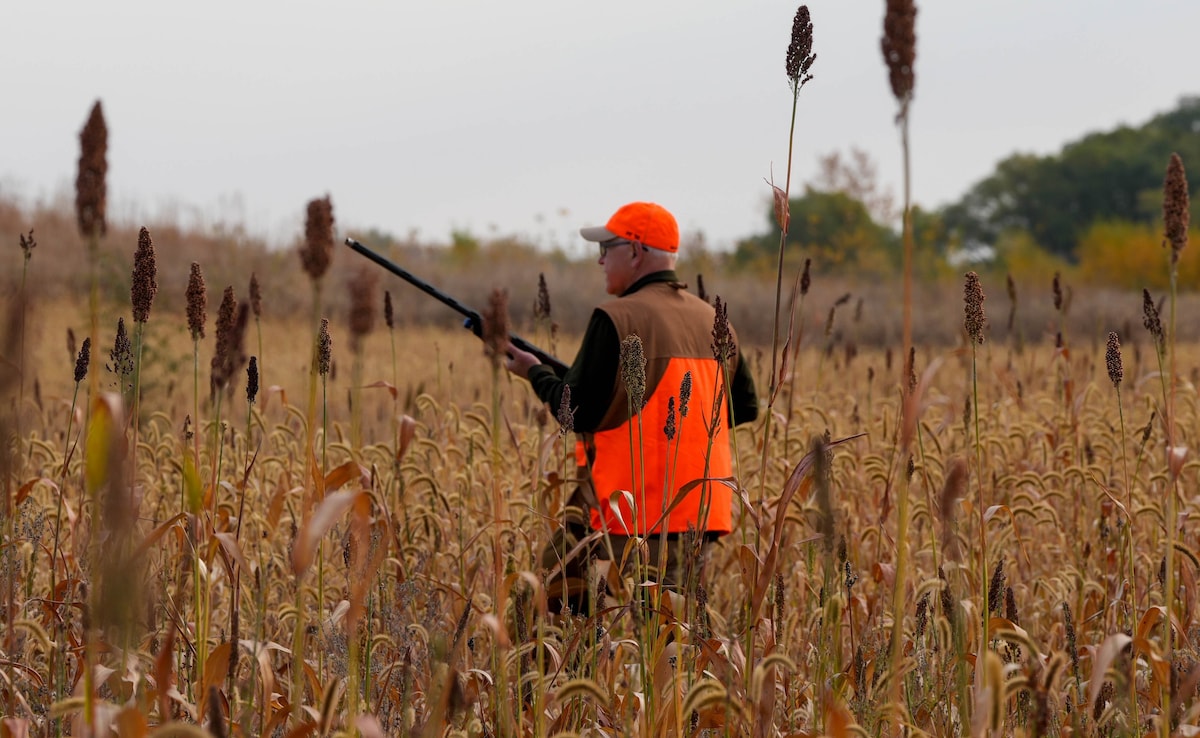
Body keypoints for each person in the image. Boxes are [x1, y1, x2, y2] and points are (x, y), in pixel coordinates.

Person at [504, 201, 758, 614]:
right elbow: (744, 407)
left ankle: (544, 677)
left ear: (636, 252)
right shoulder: (714, 319)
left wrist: (535, 373)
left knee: (557, 619)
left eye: (607, 247)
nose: (601, 259)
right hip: (697, 512)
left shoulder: (617, 316)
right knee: (667, 639)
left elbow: (577, 413)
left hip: (630, 509)